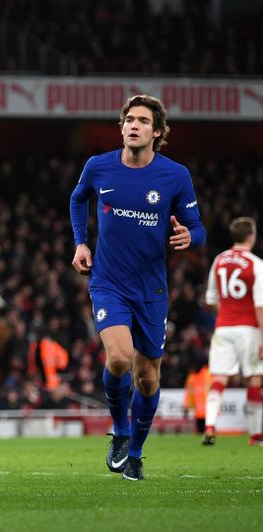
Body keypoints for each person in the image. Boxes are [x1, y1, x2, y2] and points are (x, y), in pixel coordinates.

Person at [69, 94, 206, 481]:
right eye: (129, 119)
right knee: (118, 358)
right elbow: (78, 200)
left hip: (152, 291)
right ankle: (121, 431)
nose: (133, 125)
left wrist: (188, 238)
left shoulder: (175, 176)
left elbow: (199, 228)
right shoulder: (98, 167)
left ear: (157, 132)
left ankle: (136, 454)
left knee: (147, 378)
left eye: (143, 121)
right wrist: (81, 242)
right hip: (108, 283)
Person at [202, 217, 263, 446]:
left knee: (218, 378)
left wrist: (227, 312)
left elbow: (211, 298)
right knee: (254, 379)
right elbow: (260, 304)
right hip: (249, 328)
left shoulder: (219, 260)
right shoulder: (256, 264)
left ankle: (209, 427)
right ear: (251, 235)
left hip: (223, 327)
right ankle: (256, 435)